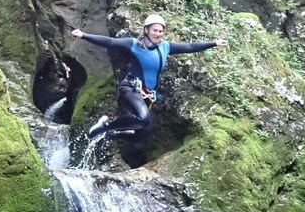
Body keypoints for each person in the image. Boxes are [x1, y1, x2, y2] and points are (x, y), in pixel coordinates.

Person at [71, 14, 228, 150]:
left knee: (141, 140)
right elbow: (110, 42)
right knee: (143, 118)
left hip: (147, 96)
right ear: (146, 30)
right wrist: (84, 35)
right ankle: (105, 125)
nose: (158, 34)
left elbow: (189, 46)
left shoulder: (165, 46)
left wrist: (213, 43)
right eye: (155, 30)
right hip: (130, 89)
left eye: (161, 31)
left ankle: (110, 135)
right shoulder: (133, 44)